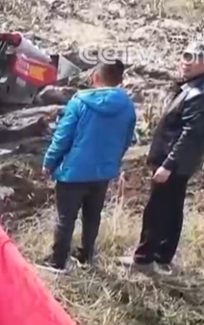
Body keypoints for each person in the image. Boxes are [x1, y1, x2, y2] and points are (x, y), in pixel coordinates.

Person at [119, 41, 204, 274]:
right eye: (185, 56)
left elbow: (190, 136)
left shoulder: (200, 94)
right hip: (179, 163)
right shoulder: (197, 86)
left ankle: (143, 260)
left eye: (193, 58)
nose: (185, 62)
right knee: (172, 209)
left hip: (173, 163)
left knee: (157, 210)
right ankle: (162, 257)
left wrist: (167, 165)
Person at [37, 59, 137, 273]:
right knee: (92, 216)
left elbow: (63, 137)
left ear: (95, 77)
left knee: (66, 218)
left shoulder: (79, 102)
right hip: (102, 173)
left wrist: (49, 162)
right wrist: (113, 160)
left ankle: (57, 262)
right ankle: (85, 256)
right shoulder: (127, 105)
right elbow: (127, 139)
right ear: (119, 80)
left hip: (73, 172)